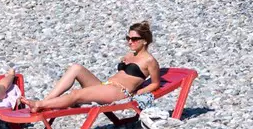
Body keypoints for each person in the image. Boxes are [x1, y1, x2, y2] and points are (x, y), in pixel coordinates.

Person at [28, 22, 160, 112]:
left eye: (135, 39)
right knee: (76, 68)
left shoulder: (149, 60)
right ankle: (46, 101)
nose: (130, 42)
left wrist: (138, 93)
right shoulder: (130, 54)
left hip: (119, 92)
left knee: (76, 94)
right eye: (128, 38)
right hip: (105, 86)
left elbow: (155, 83)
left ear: (145, 40)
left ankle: (40, 105)